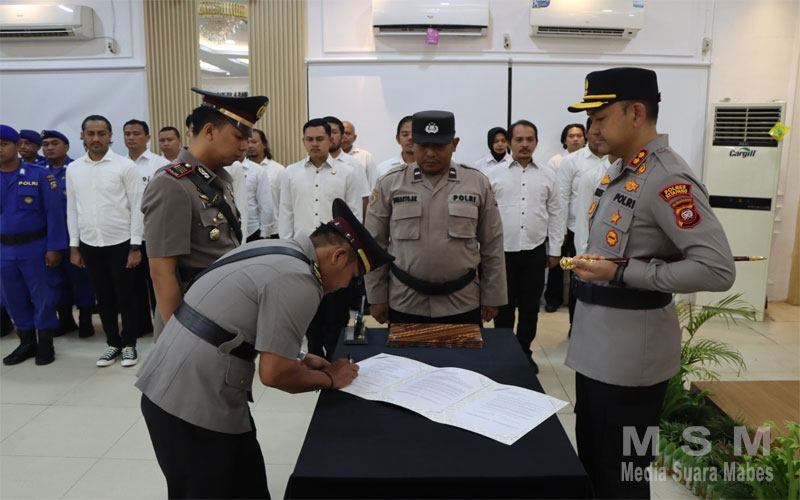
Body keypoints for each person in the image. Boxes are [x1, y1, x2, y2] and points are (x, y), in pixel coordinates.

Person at [136, 198, 393, 499]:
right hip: (191, 405)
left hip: (176, 387)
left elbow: (234, 320)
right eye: (353, 277)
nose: (345, 286)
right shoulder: (300, 279)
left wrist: (298, 356)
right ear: (338, 256)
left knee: (246, 484)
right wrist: (331, 378)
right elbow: (275, 374)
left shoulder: (277, 249)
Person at [564, 67, 735, 498]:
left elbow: (717, 268)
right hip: (597, 347)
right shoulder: (623, 170)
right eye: (590, 119)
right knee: (595, 466)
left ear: (636, 113)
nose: (592, 129)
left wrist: (622, 272)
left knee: (621, 476)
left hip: (629, 359)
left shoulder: (667, 177)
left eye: (600, 118)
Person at [142, 88, 268, 340]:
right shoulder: (172, 183)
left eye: (248, 138)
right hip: (194, 321)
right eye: (238, 136)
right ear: (209, 131)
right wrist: (180, 338)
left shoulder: (218, 179)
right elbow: (162, 273)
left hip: (221, 310)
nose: (245, 146)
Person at [365, 110, 507, 325]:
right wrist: (376, 296)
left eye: (439, 146)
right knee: (406, 350)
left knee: (462, 350)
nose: (430, 153)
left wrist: (493, 296)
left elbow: (492, 244)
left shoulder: (476, 183)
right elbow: (374, 244)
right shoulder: (390, 183)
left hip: (463, 301)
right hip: (405, 300)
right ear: (413, 144)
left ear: (454, 144)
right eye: (423, 146)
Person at [280, 119, 367, 359]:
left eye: (320, 139)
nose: (315, 144)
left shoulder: (349, 172)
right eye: (309, 139)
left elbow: (354, 217)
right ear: (303, 141)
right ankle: (315, 360)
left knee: (336, 316)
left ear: (331, 139)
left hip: (336, 258)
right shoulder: (290, 173)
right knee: (309, 317)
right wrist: (287, 251)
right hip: (302, 256)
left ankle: (336, 361)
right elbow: (285, 213)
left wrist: (349, 254)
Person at [485, 120, 563, 372]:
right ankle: (505, 353)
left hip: (534, 250)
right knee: (503, 307)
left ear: (536, 142)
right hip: (502, 252)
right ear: (509, 143)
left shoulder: (548, 175)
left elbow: (556, 213)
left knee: (530, 307)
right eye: (519, 140)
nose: (525, 144)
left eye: (530, 139)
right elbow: (484, 215)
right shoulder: (493, 174)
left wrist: (555, 250)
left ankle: (524, 352)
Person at [68, 115, 144, 367]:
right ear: (83, 136)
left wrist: (135, 246)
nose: (96, 138)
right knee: (103, 297)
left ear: (110, 136)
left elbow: (137, 207)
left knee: (126, 296)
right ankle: (113, 343)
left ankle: (129, 344)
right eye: (90, 133)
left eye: (101, 133)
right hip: (90, 243)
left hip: (121, 242)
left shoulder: (125, 166)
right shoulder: (74, 168)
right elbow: (72, 209)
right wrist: (74, 246)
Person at [1, 125, 68, 366]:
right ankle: (26, 342)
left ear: (17, 146)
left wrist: (54, 247)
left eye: (4, 144)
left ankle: (46, 342)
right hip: (4, 250)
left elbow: (54, 215)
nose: (0, 149)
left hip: (35, 246)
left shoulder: (39, 175)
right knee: (13, 297)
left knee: (42, 296)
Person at [41, 129, 95, 338]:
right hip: (50, 239)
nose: (50, 148)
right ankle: (65, 320)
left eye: (55, 143)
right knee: (56, 280)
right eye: (46, 144)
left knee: (82, 280)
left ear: (66, 146)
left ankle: (85, 320)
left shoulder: (78, 169)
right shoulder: (39, 172)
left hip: (77, 236)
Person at [124, 119, 164, 337]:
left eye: (136, 133)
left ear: (147, 137)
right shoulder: (119, 164)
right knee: (134, 284)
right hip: (129, 233)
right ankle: (141, 325)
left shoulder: (159, 164)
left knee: (158, 282)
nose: (131, 137)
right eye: (127, 133)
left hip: (155, 233)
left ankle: (162, 324)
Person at [543, 123, 588, 312]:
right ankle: (553, 298)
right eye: (571, 136)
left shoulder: (589, 160)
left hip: (580, 223)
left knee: (577, 263)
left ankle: (575, 301)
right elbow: (557, 193)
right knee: (558, 262)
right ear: (564, 139)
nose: (575, 139)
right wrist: (559, 227)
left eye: (579, 135)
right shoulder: (556, 161)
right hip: (562, 220)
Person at [248, 129, 283, 236]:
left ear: (264, 144)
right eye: (247, 142)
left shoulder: (278, 170)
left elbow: (285, 202)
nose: (250, 146)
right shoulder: (240, 169)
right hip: (250, 231)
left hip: (274, 230)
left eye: (254, 142)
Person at [238, 151, 276, 242]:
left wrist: (265, 233)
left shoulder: (257, 170)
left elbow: (266, 203)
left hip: (252, 231)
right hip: (228, 231)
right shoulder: (222, 169)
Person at [341, 120, 378, 189]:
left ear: (354, 137)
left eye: (348, 133)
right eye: (341, 133)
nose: (344, 136)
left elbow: (373, 184)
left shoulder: (366, 156)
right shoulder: (328, 156)